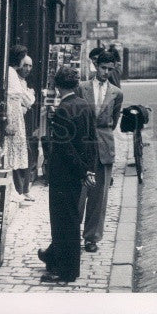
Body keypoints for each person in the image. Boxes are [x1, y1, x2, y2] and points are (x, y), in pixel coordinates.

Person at [38, 65, 97, 283]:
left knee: (63, 224)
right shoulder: (85, 105)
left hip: (63, 174)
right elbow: (92, 140)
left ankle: (66, 271)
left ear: (58, 87)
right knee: (71, 220)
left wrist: (81, 169)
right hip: (78, 174)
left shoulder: (63, 109)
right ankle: (56, 260)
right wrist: (88, 169)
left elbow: (65, 147)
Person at [77, 51, 123, 252]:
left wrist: (102, 136)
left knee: (99, 195)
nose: (106, 72)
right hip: (83, 145)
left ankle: (91, 238)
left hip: (104, 146)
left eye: (110, 69)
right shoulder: (82, 88)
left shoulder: (116, 93)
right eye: (103, 68)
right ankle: (72, 232)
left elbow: (113, 121)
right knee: (79, 192)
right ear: (97, 66)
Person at [5, 45, 36, 200]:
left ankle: (19, 189)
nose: (27, 67)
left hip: (17, 116)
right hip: (13, 117)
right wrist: (30, 95)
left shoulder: (12, 73)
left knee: (19, 152)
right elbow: (27, 99)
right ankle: (15, 190)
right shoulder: (11, 73)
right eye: (25, 62)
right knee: (13, 152)